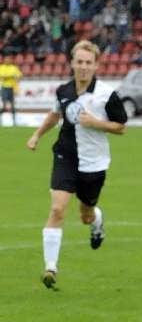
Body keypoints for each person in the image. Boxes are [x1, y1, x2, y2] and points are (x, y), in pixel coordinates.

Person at [26, 40, 128, 289]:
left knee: (85, 215)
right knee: (57, 209)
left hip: (94, 162)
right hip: (66, 155)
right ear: (72, 63)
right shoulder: (63, 91)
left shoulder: (106, 94)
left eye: (88, 62)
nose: (83, 66)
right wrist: (37, 135)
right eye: (79, 62)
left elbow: (121, 127)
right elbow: (55, 115)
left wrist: (96, 123)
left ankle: (96, 221)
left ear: (96, 65)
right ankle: (51, 268)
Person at [0, 52, 23, 125]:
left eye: (9, 59)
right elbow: (3, 76)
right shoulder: (1, 67)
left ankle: (14, 122)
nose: (7, 60)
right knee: (5, 106)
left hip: (12, 88)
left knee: (12, 106)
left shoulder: (14, 68)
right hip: (4, 88)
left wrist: (16, 78)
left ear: (10, 60)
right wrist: (12, 76)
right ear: (4, 60)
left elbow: (19, 75)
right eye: (6, 59)